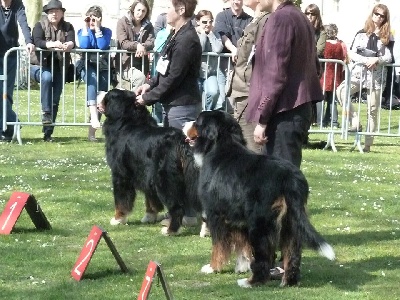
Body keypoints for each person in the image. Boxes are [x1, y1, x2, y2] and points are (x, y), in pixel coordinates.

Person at [136, 0, 201, 226]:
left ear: (181, 10)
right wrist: (149, 85)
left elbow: (174, 78)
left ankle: (190, 214)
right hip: (171, 106)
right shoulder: (176, 34)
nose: (166, 11)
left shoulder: (188, 40)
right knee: (174, 164)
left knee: (186, 165)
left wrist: (147, 98)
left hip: (182, 108)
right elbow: (163, 69)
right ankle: (180, 211)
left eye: (170, 7)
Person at [246, 0, 323, 168]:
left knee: (280, 185)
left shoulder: (281, 18)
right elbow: (316, 66)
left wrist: (262, 119)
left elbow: (275, 74)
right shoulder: (299, 16)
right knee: (283, 182)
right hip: (295, 110)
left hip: (284, 113)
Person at [336, 4, 392, 153]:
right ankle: (355, 121)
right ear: (372, 14)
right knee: (341, 91)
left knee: (372, 110)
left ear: (385, 18)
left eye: (382, 15)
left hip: (376, 77)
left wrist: (377, 60)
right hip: (358, 73)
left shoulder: (387, 36)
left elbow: (389, 56)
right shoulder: (361, 33)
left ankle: (367, 145)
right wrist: (365, 59)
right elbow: (352, 53)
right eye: (376, 14)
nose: (378, 17)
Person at [30, 0, 75, 142]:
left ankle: (48, 132)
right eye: (51, 12)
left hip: (60, 68)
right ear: (47, 14)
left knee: (55, 99)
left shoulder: (68, 27)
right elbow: (37, 41)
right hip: (39, 66)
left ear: (62, 13)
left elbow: (72, 40)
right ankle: (46, 112)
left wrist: (69, 44)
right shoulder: (39, 25)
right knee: (47, 77)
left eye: (56, 11)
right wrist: (51, 44)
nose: (54, 14)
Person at [230, 0, 269, 152]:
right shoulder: (256, 20)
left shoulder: (266, 20)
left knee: (253, 156)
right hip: (243, 94)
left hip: (251, 96)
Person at [0, 0, 34, 142]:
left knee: (6, 94)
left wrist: (29, 41)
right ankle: (13, 122)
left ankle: (6, 130)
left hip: (11, 55)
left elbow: (23, 22)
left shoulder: (17, 4)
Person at [77, 5, 112, 141]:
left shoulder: (106, 31)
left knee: (102, 95)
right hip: (87, 65)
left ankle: (92, 133)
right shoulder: (82, 31)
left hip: (103, 66)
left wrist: (97, 28)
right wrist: (86, 27)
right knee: (92, 80)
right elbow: (84, 45)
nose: (91, 22)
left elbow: (103, 45)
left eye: (94, 20)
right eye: (89, 19)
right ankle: (93, 115)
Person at [213, 0, 252, 111]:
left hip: (241, 65)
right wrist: (233, 49)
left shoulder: (250, 20)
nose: (236, 1)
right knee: (222, 96)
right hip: (224, 64)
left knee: (234, 99)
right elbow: (222, 35)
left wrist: (239, 52)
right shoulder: (222, 16)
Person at [116, 0, 155, 91]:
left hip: (141, 64)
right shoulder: (122, 22)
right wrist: (137, 46)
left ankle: (134, 103)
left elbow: (151, 42)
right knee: (139, 78)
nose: (140, 13)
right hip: (125, 65)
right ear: (133, 9)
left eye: (143, 11)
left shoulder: (148, 25)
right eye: (138, 10)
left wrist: (143, 46)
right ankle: (134, 103)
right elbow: (123, 42)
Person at [316, 23, 347, 129]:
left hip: (323, 75)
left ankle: (320, 121)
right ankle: (333, 121)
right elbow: (344, 57)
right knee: (332, 99)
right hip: (335, 75)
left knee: (320, 99)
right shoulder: (340, 45)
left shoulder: (324, 45)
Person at [195, 10, 223, 111]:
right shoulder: (193, 32)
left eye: (210, 21)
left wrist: (210, 34)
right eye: (204, 22)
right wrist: (202, 34)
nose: (208, 24)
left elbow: (218, 49)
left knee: (214, 92)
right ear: (197, 21)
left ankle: (207, 112)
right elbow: (200, 49)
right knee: (196, 99)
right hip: (195, 73)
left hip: (210, 73)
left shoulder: (214, 33)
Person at [304, 4, 326, 128]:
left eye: (312, 14)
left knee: (313, 99)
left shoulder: (321, 32)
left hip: (314, 69)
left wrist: (304, 52)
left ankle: (313, 122)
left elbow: (319, 49)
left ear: (317, 15)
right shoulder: (301, 27)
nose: (309, 16)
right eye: (307, 13)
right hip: (302, 68)